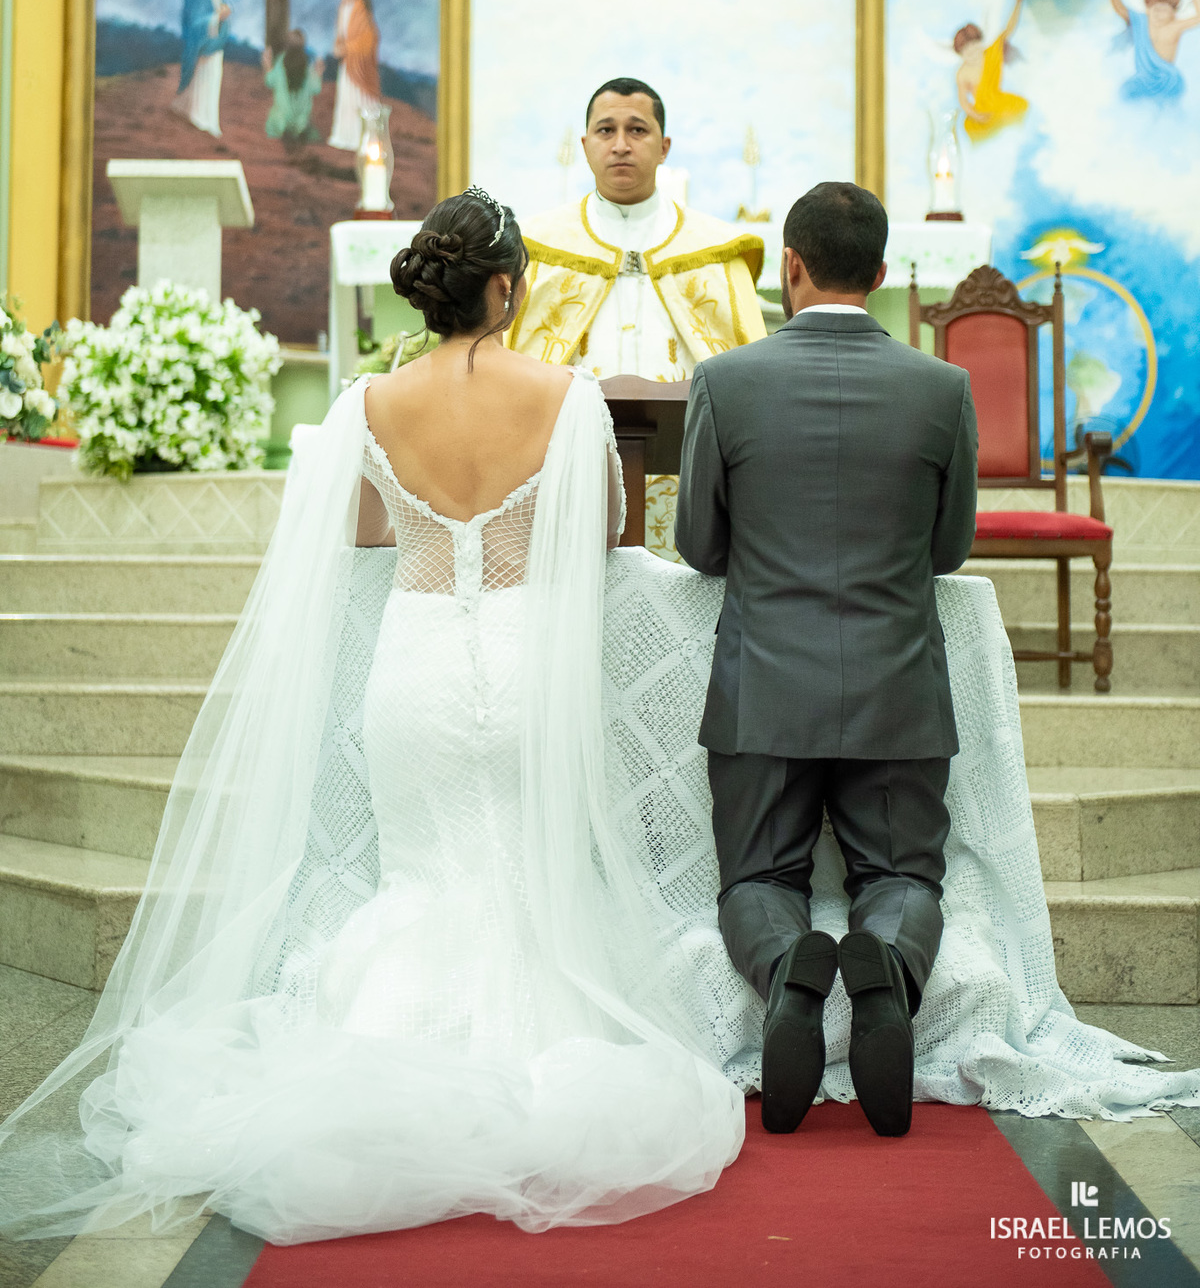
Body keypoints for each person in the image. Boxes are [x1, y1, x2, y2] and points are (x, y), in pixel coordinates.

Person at [0, 188, 743, 1245]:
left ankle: (390, 1043)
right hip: (528, 659)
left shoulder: (370, 403)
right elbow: (602, 534)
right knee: (528, 867)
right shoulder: (566, 395)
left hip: (418, 660)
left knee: (427, 870)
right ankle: (529, 1047)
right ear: (506, 286)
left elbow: (356, 532)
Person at [675, 181, 978, 1141]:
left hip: (764, 689)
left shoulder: (725, 381)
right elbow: (952, 548)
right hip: (896, 689)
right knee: (901, 876)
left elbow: (699, 546)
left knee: (758, 878)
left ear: (788, 267)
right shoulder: (943, 387)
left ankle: (786, 971)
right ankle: (884, 966)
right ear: (882, 276)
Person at [508, 77, 766, 381]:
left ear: (664, 148)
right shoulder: (535, 246)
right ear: (585, 145)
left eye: (637, 130)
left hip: (684, 426)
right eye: (606, 130)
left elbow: (748, 375)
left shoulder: (717, 250)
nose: (620, 146)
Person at [1099, 0, 1200, 100]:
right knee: (1125, 93)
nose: (1158, 14)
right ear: (1147, 8)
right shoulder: (1141, 21)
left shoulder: (1174, 26)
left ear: (1173, 12)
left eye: (1164, 10)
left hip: (1168, 82)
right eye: (1155, 9)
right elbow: (1121, 10)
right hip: (1142, 80)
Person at [953, 0, 1029, 141]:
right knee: (974, 130)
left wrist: (1018, 2)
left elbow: (1008, 30)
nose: (973, 53)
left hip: (999, 102)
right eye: (967, 51)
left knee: (1020, 110)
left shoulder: (990, 54)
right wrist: (976, 115)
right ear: (961, 53)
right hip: (982, 112)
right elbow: (963, 100)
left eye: (976, 47)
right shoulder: (962, 73)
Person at [175, 0, 230, 137]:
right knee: (202, 79)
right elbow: (194, 21)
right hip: (202, 45)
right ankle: (200, 118)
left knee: (213, 78)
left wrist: (221, 17)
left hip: (214, 44)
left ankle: (207, 118)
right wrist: (217, 18)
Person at [328, 0, 383, 149]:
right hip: (348, 64)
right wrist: (339, 46)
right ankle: (347, 137)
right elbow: (341, 34)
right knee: (347, 100)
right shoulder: (344, 5)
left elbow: (369, 38)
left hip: (359, 66)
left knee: (360, 101)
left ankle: (363, 139)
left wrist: (347, 48)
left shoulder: (361, 8)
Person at [263, 29, 323, 144]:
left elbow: (269, 81)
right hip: (302, 123)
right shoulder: (307, 64)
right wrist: (319, 73)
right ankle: (299, 132)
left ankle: (286, 131)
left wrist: (267, 64)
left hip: (280, 122)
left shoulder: (280, 61)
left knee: (274, 122)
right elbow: (316, 89)